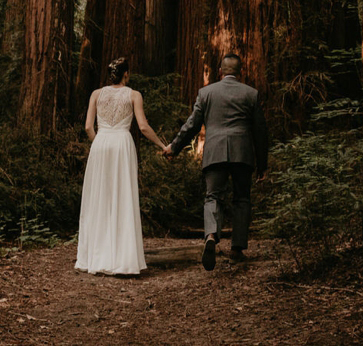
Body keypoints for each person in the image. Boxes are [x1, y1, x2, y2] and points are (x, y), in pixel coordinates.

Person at [167, 50, 270, 270]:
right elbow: (260, 131)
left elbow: (192, 125)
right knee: (242, 198)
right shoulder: (251, 94)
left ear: (220, 71)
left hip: (214, 152)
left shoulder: (206, 93)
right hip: (242, 154)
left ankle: (211, 235)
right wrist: (263, 165)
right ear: (240, 72)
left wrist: (174, 147)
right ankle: (237, 249)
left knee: (212, 196)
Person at [76, 55, 170, 276]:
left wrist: (100, 143)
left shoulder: (96, 94)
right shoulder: (134, 95)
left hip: (100, 144)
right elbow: (144, 127)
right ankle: (122, 258)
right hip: (121, 145)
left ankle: (95, 257)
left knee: (100, 197)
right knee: (122, 195)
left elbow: (89, 127)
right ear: (126, 74)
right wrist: (162, 145)